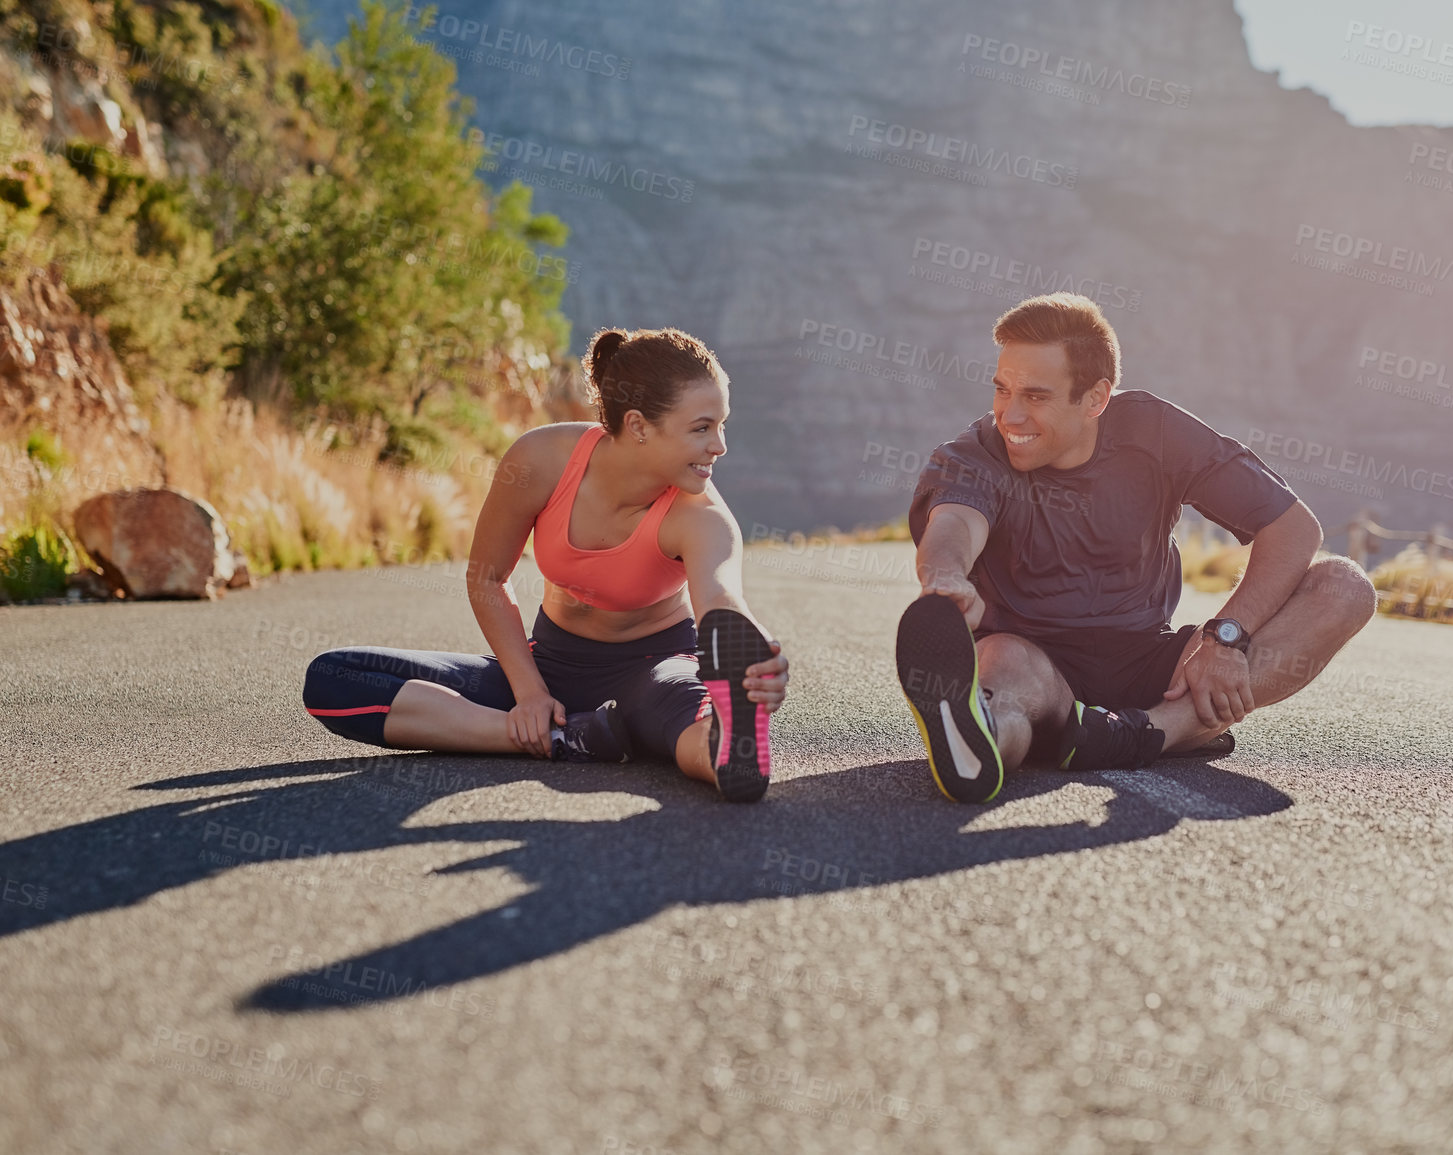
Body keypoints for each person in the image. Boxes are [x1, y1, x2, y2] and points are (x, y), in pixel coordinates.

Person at [897, 293, 1377, 803]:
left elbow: (1294, 528)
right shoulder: (973, 455)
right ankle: (984, 740)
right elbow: (953, 524)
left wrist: (1224, 639)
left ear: (1096, 399)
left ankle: (1148, 731)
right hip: (1032, 661)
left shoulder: (1156, 432)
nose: (1010, 415)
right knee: (1006, 676)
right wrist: (945, 576)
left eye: (1035, 397)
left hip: (1152, 669)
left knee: (1344, 587)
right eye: (1002, 390)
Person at [303, 328, 789, 803]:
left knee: (688, 713)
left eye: (722, 425)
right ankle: (570, 736)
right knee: (335, 678)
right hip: (546, 665)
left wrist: (753, 661)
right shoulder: (541, 460)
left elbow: (721, 600)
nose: (720, 445)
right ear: (639, 425)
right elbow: (488, 576)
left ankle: (726, 748)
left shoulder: (702, 517)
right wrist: (530, 694)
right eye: (702, 427)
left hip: (655, 671)